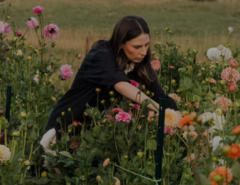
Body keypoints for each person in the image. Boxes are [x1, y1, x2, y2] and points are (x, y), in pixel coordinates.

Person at [40, 15, 177, 153]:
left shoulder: (139, 63)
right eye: (137, 47)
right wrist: (160, 109)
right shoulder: (101, 55)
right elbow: (120, 85)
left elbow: (160, 97)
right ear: (121, 43)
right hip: (68, 127)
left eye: (146, 45)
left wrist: (177, 118)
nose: (144, 52)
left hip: (99, 134)